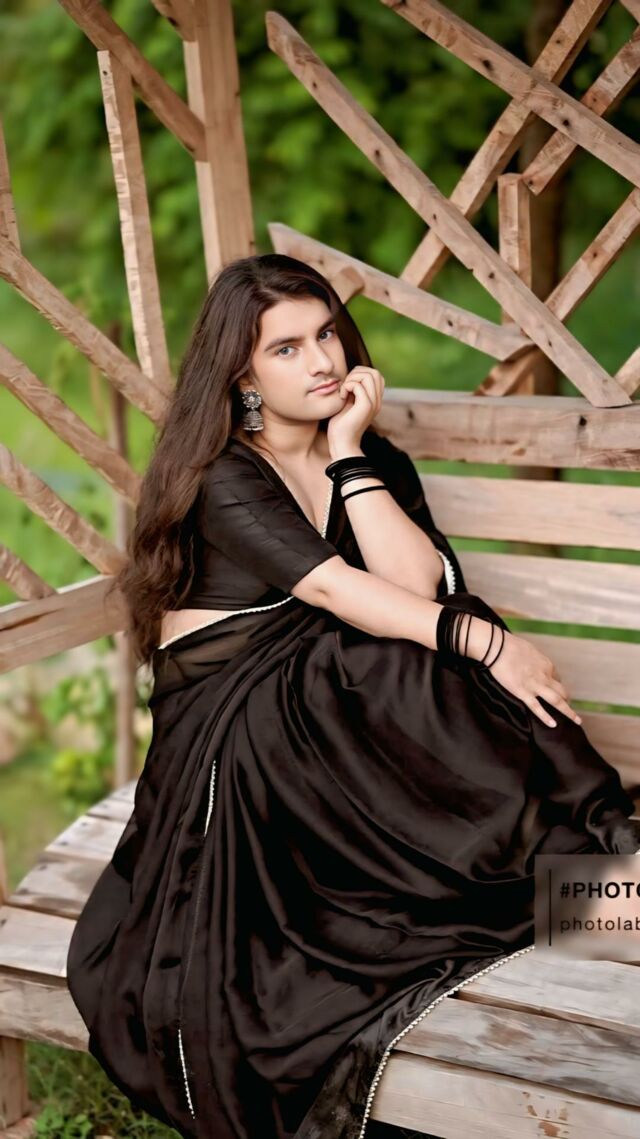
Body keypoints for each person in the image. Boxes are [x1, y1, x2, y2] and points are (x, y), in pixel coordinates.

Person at [66, 253, 640, 1139]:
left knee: (429, 636)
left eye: (326, 333)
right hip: (234, 733)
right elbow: (337, 591)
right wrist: (492, 645)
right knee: (403, 652)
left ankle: (585, 882)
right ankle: (563, 880)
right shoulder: (224, 476)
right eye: (286, 348)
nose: (322, 360)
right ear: (242, 376)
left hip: (328, 703)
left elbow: (416, 586)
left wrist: (347, 455)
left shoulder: (369, 456)